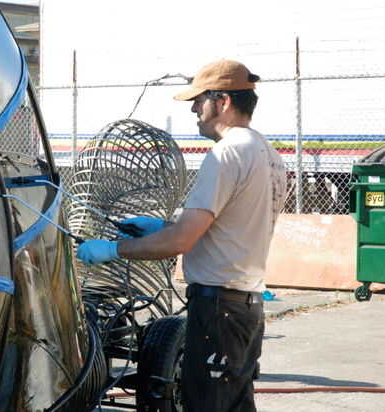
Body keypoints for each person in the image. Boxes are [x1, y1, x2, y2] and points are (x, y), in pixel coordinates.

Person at [77, 59, 287, 412]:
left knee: (206, 405)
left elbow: (180, 243)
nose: (194, 110)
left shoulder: (227, 153)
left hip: (219, 309)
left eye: (199, 100)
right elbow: (229, 225)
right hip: (245, 308)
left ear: (222, 101)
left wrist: (112, 249)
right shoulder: (267, 154)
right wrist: (163, 226)